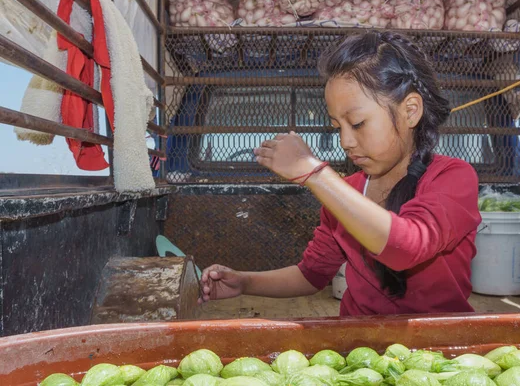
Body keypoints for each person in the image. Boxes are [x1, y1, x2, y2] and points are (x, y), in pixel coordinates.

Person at [199, 30, 482, 316]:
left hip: (437, 349)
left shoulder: (453, 178)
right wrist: (244, 282)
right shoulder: (346, 192)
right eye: (337, 127)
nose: (345, 141)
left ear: (410, 110)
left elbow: (405, 248)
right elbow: (312, 275)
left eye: (357, 124)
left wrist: (315, 173)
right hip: (358, 345)